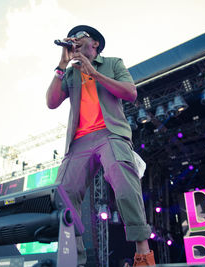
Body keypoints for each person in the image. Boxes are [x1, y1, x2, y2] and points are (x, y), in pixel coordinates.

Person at [46, 25, 156, 267]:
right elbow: (52, 102)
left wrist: (93, 73)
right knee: (64, 193)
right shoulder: (71, 72)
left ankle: (143, 254)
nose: (73, 40)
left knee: (124, 184)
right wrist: (62, 66)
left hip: (111, 134)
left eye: (79, 36)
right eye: (71, 37)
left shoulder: (113, 63)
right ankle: (74, 260)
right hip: (78, 142)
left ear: (94, 44)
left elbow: (130, 93)